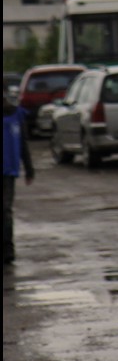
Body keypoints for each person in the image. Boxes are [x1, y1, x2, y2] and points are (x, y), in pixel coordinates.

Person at [3, 95, 34, 265]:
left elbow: (23, 142)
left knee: (5, 210)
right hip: (9, 170)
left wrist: (29, 168)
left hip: (8, 170)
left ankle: (8, 249)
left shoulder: (15, 114)